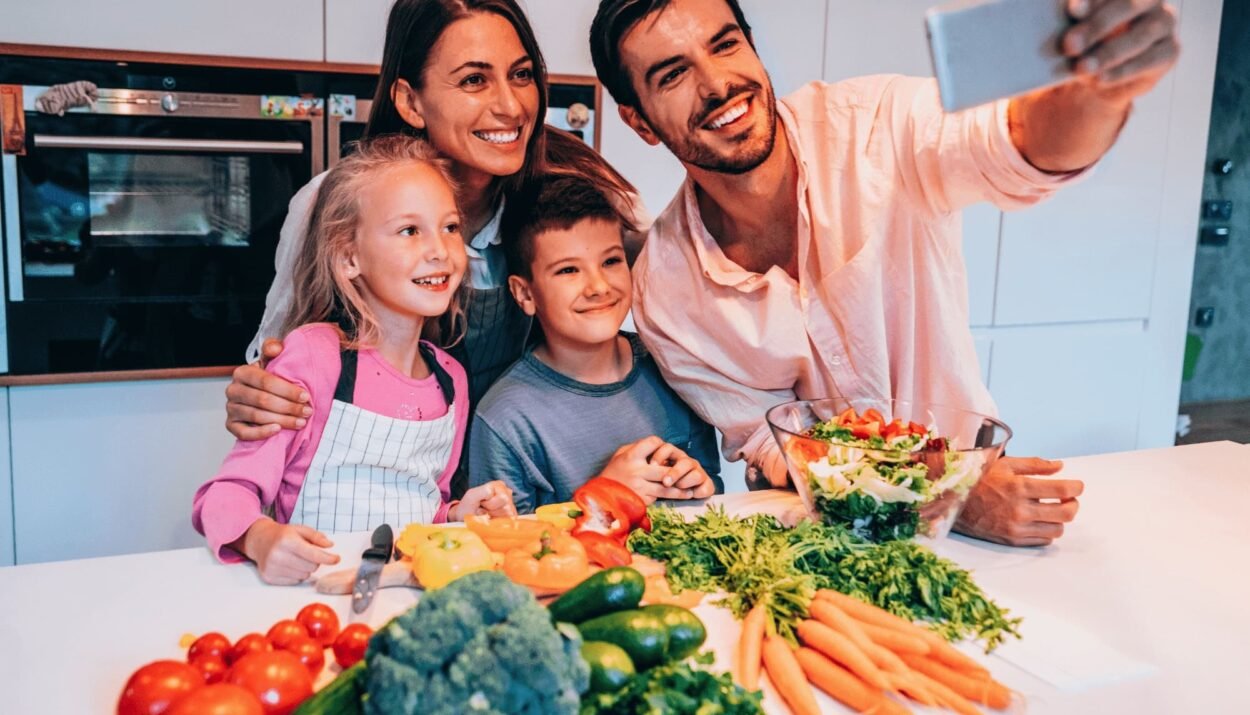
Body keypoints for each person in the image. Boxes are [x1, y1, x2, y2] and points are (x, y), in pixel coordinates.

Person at [589, 0, 1179, 546]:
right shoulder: (666, 291)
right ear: (639, 120)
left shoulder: (877, 125)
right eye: (673, 75)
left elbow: (1021, 145)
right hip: (823, 541)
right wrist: (950, 494)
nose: (717, 84)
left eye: (725, 45)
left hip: (981, 526)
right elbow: (777, 448)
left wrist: (1101, 88)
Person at [223, 0, 641, 460]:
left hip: (508, 474)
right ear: (410, 101)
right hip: (379, 477)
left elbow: (671, 278)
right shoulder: (335, 204)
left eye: (521, 75)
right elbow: (275, 361)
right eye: (474, 80)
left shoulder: (573, 184)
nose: (511, 105)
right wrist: (260, 394)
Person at [193, 136, 516, 585]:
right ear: (349, 257)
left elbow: (423, 504)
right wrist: (261, 538)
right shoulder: (315, 357)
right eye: (410, 230)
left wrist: (462, 513)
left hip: (406, 597)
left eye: (450, 227)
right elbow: (225, 496)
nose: (440, 249)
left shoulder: (451, 380)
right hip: (311, 600)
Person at [469, 175, 721, 512]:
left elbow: (712, 495)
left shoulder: (674, 365)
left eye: (611, 262)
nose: (599, 286)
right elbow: (504, 552)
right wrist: (603, 494)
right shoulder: (505, 420)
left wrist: (699, 487)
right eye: (569, 270)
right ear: (525, 293)